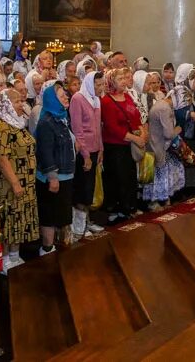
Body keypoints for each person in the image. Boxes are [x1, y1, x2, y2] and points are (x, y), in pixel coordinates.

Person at [0, 89, 38, 271]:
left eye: (20, 101)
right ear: (7, 105)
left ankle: (15, 255)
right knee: (11, 219)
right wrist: (15, 183)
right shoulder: (3, 126)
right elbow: (2, 157)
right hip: (11, 184)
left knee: (21, 219)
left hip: (25, 180)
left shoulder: (18, 123)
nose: (21, 105)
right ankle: (7, 261)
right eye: (16, 102)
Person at [34, 83, 76, 255]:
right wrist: (52, 177)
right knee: (50, 214)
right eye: (61, 96)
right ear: (52, 100)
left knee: (60, 212)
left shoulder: (62, 117)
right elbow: (45, 152)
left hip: (65, 174)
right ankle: (47, 247)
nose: (66, 97)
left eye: (66, 94)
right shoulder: (47, 122)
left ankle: (56, 244)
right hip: (53, 177)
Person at [101, 70, 146, 222]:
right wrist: (135, 138)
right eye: (119, 78)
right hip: (115, 147)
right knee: (118, 178)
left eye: (123, 78)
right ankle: (118, 210)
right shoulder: (106, 101)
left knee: (130, 177)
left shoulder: (127, 96)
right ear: (111, 81)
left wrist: (142, 132)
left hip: (129, 145)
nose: (123, 81)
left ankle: (130, 207)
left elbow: (135, 116)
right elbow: (112, 127)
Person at [69, 71, 104, 238]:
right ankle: (78, 227)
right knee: (82, 190)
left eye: (102, 84)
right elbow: (77, 129)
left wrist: (101, 148)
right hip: (84, 151)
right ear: (90, 84)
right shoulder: (77, 99)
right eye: (97, 85)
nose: (101, 88)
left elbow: (98, 127)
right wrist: (85, 155)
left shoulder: (96, 100)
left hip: (95, 149)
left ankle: (86, 223)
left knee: (90, 189)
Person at [142, 91, 185, 210]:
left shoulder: (162, 104)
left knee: (163, 173)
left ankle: (163, 198)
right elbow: (168, 134)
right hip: (158, 145)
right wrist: (178, 129)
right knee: (158, 175)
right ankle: (155, 202)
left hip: (158, 144)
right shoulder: (164, 109)